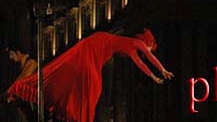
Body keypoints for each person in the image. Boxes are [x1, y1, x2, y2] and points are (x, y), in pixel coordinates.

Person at [7, 29, 172, 122]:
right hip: (95, 45)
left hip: (96, 49)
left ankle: (79, 113)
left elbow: (142, 65)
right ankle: (78, 114)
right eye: (149, 48)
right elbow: (149, 58)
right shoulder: (138, 44)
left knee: (93, 88)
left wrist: (153, 76)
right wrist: (162, 70)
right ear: (147, 43)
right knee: (92, 86)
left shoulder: (131, 50)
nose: (147, 51)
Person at [5, 43, 38, 121]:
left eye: (12, 54)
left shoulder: (31, 62)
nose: (10, 57)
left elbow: (23, 80)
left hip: (35, 100)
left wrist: (10, 91)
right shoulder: (24, 63)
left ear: (18, 52)